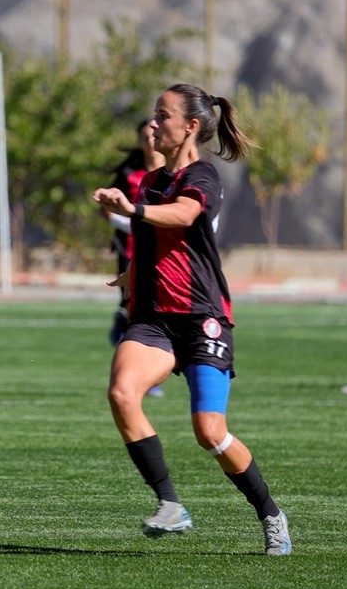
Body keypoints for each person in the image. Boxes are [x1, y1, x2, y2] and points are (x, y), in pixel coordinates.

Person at [91, 83, 291, 556]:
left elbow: (182, 216)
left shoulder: (204, 177)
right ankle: (170, 504)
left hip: (203, 319)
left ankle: (270, 514)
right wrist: (130, 275)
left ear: (191, 127)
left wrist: (132, 208)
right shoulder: (150, 181)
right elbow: (156, 242)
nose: (152, 124)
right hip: (155, 320)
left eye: (163, 116)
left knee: (210, 432)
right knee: (122, 393)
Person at [105, 118, 166, 397]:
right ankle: (144, 377)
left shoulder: (175, 175)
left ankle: (125, 328)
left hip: (164, 254)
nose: (150, 142)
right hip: (130, 251)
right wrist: (132, 224)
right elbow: (107, 209)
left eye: (154, 135)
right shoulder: (131, 174)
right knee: (138, 307)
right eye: (144, 137)